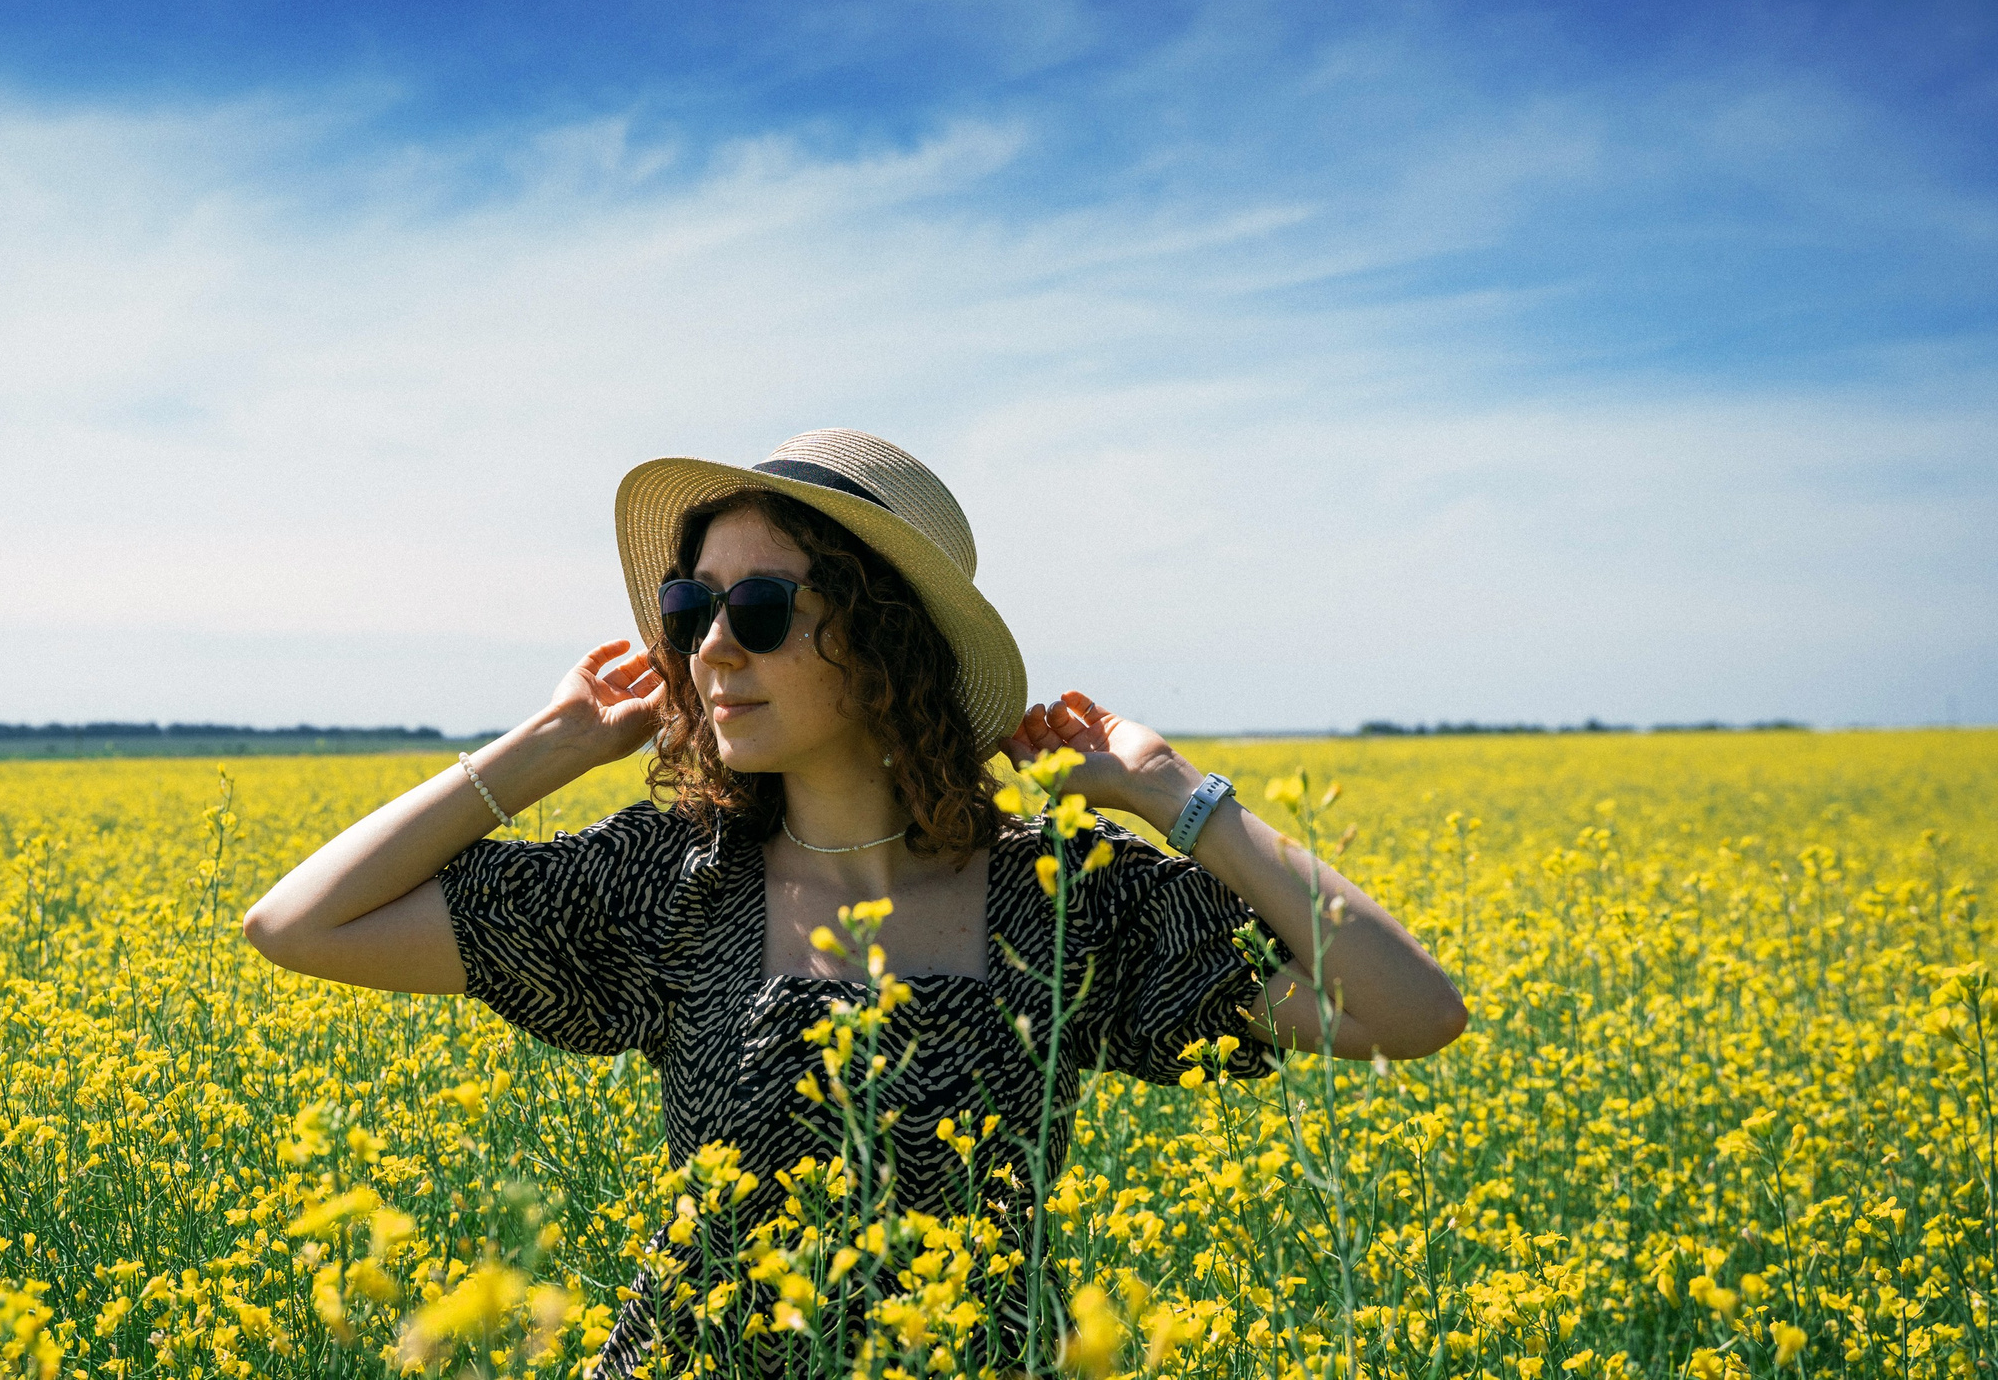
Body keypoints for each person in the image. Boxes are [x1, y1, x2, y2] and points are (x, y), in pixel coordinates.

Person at [242, 428, 1467, 1377]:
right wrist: (543, 746)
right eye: (689, 608)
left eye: (760, 609)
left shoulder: (1060, 902)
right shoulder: (673, 882)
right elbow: (297, 925)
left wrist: (1172, 795)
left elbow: (1410, 1013)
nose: (711, 646)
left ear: (882, 638)